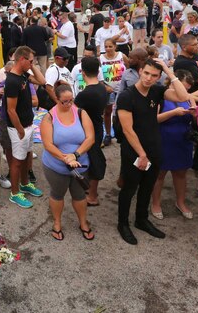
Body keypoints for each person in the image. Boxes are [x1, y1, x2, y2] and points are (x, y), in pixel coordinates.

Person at [116, 58, 189, 244]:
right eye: (146, 73)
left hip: (155, 146)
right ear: (140, 71)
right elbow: (128, 130)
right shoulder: (127, 95)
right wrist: (141, 154)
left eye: (154, 75)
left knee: (148, 186)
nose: (149, 78)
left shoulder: (157, 91)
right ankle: (122, 223)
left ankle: (141, 219)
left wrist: (168, 70)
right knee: (129, 188)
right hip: (134, 150)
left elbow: (183, 97)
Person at [40, 84, 96, 241]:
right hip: (56, 166)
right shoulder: (49, 117)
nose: (69, 104)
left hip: (79, 163)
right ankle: (57, 223)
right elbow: (48, 145)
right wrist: (65, 158)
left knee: (79, 195)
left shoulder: (80, 113)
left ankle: (83, 222)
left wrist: (75, 155)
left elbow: (90, 138)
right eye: (65, 101)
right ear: (56, 99)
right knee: (57, 194)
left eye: (71, 100)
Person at [2, 46, 46, 209]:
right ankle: (15, 193)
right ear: (21, 59)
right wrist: (20, 129)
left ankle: (25, 183)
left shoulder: (24, 75)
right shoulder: (12, 80)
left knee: (27, 156)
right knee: (17, 162)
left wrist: (32, 65)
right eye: (30, 60)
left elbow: (42, 81)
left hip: (28, 125)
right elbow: (10, 110)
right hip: (18, 129)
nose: (32, 63)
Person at [151, 70, 196, 220]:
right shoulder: (162, 96)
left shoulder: (189, 98)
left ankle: (181, 202)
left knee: (181, 173)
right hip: (164, 138)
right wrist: (174, 113)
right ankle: (156, 203)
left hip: (183, 139)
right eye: (181, 87)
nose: (184, 91)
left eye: (187, 88)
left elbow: (196, 119)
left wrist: (196, 114)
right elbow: (154, 119)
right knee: (159, 174)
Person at [73, 57, 108, 206]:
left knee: (93, 160)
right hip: (98, 127)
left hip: (88, 131)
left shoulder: (85, 94)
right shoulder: (102, 88)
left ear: (82, 72)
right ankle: (90, 189)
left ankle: (92, 195)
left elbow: (73, 112)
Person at [99, 38, 126, 146]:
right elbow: (97, 75)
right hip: (108, 90)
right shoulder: (100, 58)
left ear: (115, 46)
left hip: (121, 89)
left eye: (110, 46)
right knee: (108, 112)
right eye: (106, 46)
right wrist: (105, 86)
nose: (108, 48)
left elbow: (129, 69)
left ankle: (123, 133)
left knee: (123, 112)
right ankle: (108, 134)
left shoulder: (121, 56)